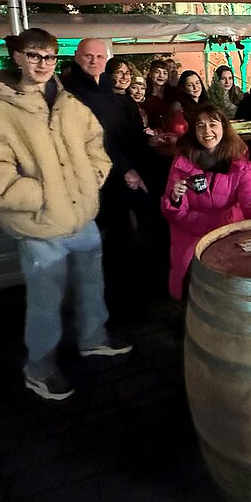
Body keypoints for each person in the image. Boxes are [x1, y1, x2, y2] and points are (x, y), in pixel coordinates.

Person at [0, 28, 131, 401]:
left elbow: (95, 143)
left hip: (82, 217)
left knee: (92, 284)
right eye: (34, 55)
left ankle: (93, 339)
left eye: (49, 56)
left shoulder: (68, 102)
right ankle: (39, 369)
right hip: (41, 225)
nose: (43, 64)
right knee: (45, 302)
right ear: (18, 57)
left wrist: (90, 180)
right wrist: (44, 197)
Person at [61, 38, 153, 317]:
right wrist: (127, 168)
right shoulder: (71, 94)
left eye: (100, 56)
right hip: (96, 180)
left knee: (123, 237)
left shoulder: (104, 89)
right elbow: (96, 140)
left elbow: (120, 133)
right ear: (77, 57)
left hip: (120, 175)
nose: (94, 61)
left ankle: (124, 300)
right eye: (88, 56)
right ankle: (109, 307)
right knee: (104, 243)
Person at [161, 104, 251, 300]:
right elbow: (172, 212)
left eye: (213, 124)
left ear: (224, 127)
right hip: (191, 230)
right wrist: (175, 198)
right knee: (192, 278)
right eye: (201, 126)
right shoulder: (182, 161)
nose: (207, 131)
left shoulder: (239, 162)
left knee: (237, 276)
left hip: (227, 228)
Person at [144, 59, 170, 129]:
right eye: (157, 72)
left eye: (165, 73)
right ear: (150, 74)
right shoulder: (144, 95)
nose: (161, 76)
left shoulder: (173, 94)